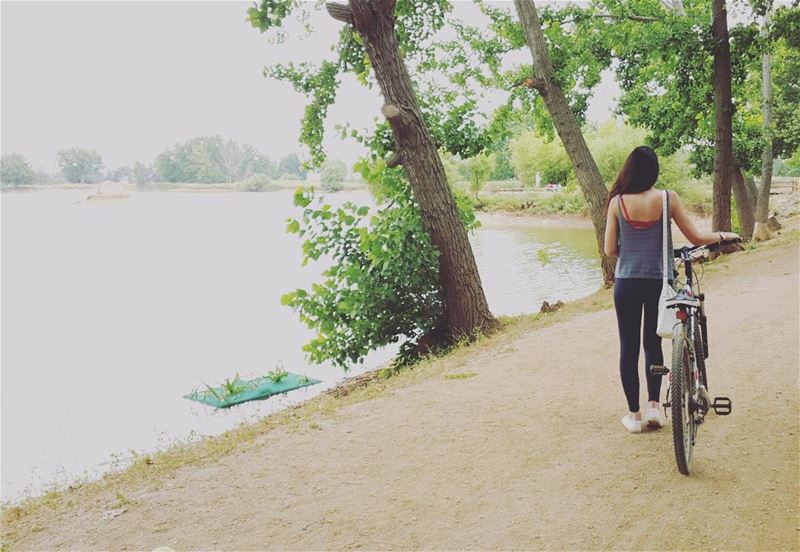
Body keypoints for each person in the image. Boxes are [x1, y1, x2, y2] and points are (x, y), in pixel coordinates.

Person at [603, 146, 739, 433]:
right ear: (653, 172)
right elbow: (696, 236)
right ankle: (654, 407)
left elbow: (610, 249)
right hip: (659, 283)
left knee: (628, 348)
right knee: (653, 343)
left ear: (629, 171)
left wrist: (632, 247)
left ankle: (635, 416)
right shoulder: (667, 198)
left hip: (626, 283)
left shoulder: (617, 203)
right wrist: (725, 235)